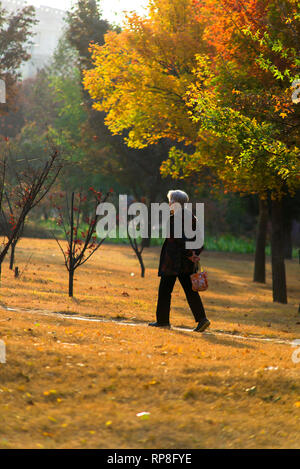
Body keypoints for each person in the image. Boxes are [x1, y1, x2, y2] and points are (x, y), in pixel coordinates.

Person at [149, 190, 210, 332]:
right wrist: (194, 254)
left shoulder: (173, 218)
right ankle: (202, 319)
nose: (169, 203)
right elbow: (199, 240)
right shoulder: (193, 218)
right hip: (187, 264)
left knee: (164, 291)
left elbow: (176, 240)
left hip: (173, 262)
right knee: (191, 291)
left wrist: (189, 254)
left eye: (170, 201)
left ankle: (163, 321)